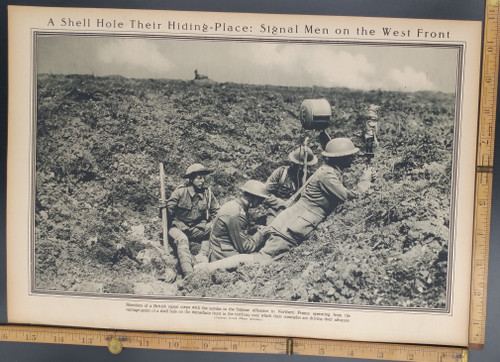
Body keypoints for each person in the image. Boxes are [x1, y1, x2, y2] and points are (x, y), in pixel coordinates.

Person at [195, 138, 371, 272]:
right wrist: (365, 182)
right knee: (261, 260)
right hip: (290, 229)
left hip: (287, 223)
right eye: (350, 155)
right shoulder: (326, 175)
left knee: (259, 257)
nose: (354, 158)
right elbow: (349, 197)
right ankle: (207, 269)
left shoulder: (328, 172)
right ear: (341, 158)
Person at [160, 163, 219, 276]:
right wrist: (163, 207)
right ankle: (188, 274)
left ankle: (202, 257)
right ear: (191, 179)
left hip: (198, 229)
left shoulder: (208, 193)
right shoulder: (180, 192)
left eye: (203, 177)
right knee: (182, 240)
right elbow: (166, 215)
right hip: (178, 228)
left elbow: (216, 211)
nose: (202, 181)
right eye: (199, 178)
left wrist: (215, 223)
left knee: (216, 228)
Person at [208, 180, 269, 262]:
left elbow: (239, 229)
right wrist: (261, 234)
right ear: (252, 197)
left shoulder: (236, 205)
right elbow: (245, 248)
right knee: (260, 259)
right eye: (260, 199)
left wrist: (255, 228)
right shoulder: (236, 214)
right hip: (222, 255)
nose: (260, 203)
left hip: (224, 248)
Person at [264, 145, 318, 217]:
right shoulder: (281, 173)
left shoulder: (310, 178)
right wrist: (281, 203)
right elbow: (265, 193)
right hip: (277, 211)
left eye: (305, 167)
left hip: (297, 214)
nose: (301, 169)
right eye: (298, 166)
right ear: (293, 163)